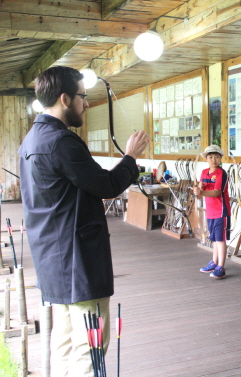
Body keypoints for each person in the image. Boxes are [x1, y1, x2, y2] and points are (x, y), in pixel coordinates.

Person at [18, 66, 149, 377]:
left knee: (64, 340)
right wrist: (130, 157)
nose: (86, 103)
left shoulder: (32, 140)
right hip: (76, 260)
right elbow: (105, 186)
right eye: (82, 97)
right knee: (91, 344)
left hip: (52, 258)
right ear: (65, 99)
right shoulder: (61, 141)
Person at [196, 145, 231, 279]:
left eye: (217, 156)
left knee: (220, 239)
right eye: (210, 157)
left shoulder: (221, 173)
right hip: (210, 210)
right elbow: (202, 185)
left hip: (221, 210)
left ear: (221, 158)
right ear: (206, 158)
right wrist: (199, 187)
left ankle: (221, 267)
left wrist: (202, 191)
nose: (214, 159)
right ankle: (214, 262)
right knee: (214, 238)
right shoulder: (204, 172)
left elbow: (217, 191)